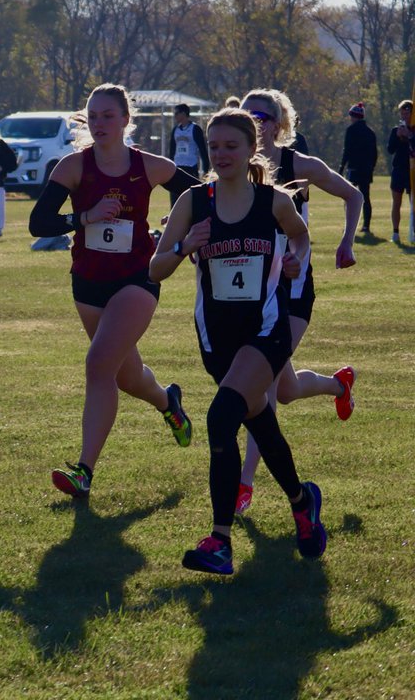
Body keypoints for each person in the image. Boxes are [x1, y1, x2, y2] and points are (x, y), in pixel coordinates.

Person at [149, 107, 326, 575]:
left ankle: (220, 541)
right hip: (217, 340)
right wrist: (186, 246)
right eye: (214, 147)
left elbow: (301, 239)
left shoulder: (273, 202)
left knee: (221, 415)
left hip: (267, 331)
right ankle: (302, 501)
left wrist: (294, 261)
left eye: (232, 146)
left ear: (252, 150)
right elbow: (155, 267)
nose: (222, 154)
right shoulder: (194, 202)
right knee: (261, 424)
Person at [28, 83, 197, 498]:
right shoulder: (73, 167)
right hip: (88, 284)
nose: (100, 123)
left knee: (98, 363)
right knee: (127, 376)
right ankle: (167, 402)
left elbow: (199, 195)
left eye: (108, 115)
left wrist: (176, 233)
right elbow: (38, 224)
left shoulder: (150, 166)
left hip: (137, 279)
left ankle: (84, 471)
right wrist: (83, 216)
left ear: (125, 119)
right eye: (93, 116)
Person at [234, 89, 360, 515]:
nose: (255, 120)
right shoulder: (237, 167)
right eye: (246, 114)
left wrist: (346, 242)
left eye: (262, 115)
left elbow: (353, 195)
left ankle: (243, 484)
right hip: (254, 293)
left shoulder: (298, 166)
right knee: (284, 389)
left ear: (279, 123)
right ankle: (338, 384)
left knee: (262, 385)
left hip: (293, 292)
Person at [340, 102, 378, 234]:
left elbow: (347, 151)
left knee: (349, 197)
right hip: (366, 170)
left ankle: (349, 225)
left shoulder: (351, 131)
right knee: (366, 197)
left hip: (353, 169)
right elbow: (374, 154)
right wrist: (371, 168)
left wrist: (341, 167)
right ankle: (366, 226)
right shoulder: (370, 132)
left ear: (354, 116)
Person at [168, 103, 210, 205]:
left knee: (190, 199)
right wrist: (169, 166)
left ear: (184, 113)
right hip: (177, 168)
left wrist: (206, 170)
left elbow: (203, 151)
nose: (175, 116)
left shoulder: (195, 129)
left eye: (177, 113)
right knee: (175, 199)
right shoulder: (175, 130)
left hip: (190, 168)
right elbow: (172, 151)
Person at [386, 100, 414, 244]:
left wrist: (409, 135)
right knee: (396, 202)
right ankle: (395, 232)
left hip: (412, 171)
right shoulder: (395, 130)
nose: (404, 115)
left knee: (413, 203)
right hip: (399, 170)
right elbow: (390, 149)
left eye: (407, 112)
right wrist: (398, 136)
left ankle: (413, 232)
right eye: (402, 113)